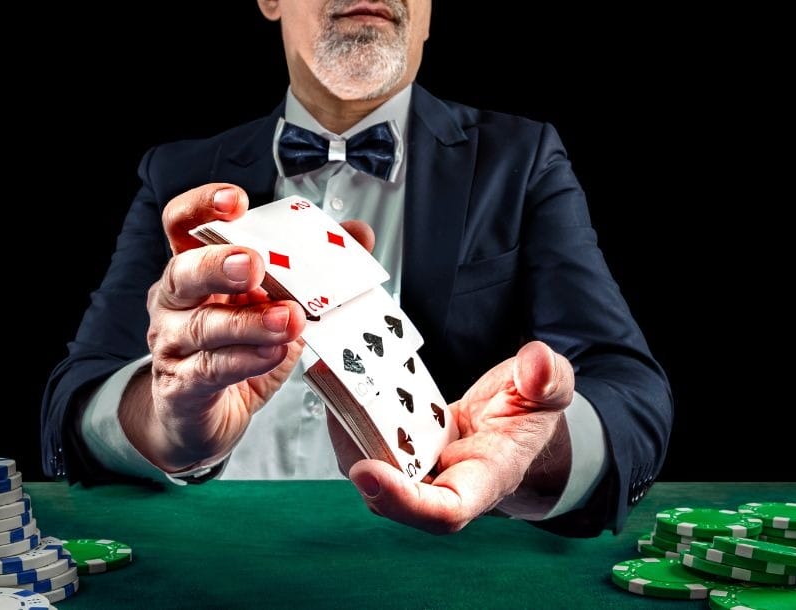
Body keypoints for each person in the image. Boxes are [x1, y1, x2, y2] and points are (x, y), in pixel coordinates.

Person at [41, 0, 672, 537]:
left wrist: (535, 454)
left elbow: (631, 392)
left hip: (439, 573)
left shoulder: (523, 159)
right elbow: (73, 401)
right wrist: (165, 419)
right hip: (212, 564)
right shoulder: (177, 175)